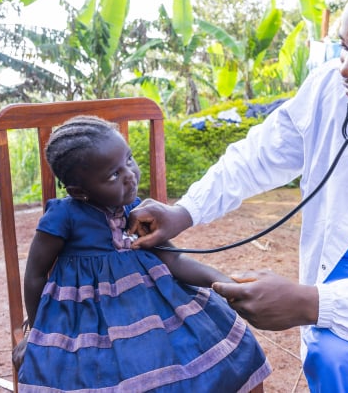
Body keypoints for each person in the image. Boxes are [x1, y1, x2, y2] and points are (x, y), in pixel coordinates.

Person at [128, 0, 348, 392]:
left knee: (340, 355)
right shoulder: (329, 90)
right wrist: (185, 211)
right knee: (334, 357)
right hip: (342, 280)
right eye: (344, 47)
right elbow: (258, 155)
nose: (347, 70)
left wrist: (314, 304)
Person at [14, 115, 271, 392]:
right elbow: (35, 274)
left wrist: (221, 282)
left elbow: (174, 259)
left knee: (225, 344)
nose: (130, 175)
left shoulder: (136, 211)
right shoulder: (63, 216)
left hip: (155, 309)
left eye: (129, 160)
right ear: (79, 191)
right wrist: (37, 332)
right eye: (114, 175)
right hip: (88, 321)